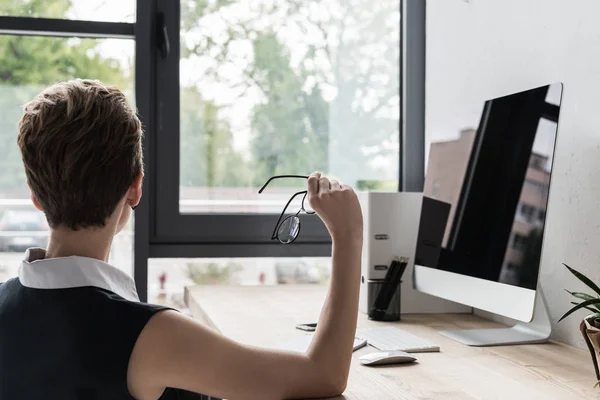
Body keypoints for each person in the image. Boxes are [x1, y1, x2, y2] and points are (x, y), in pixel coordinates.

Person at [0, 79, 364, 400]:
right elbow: (325, 376)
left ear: (34, 194)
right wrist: (348, 236)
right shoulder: (151, 336)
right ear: (136, 187)